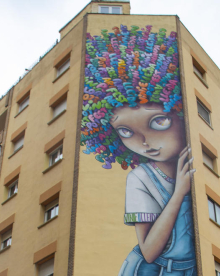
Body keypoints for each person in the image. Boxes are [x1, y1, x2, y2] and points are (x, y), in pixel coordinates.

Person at [81, 25, 197, 276]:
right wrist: (179, 193)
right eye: (125, 131)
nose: (144, 142)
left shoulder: (200, 162)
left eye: (158, 122)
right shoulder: (141, 178)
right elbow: (149, 251)